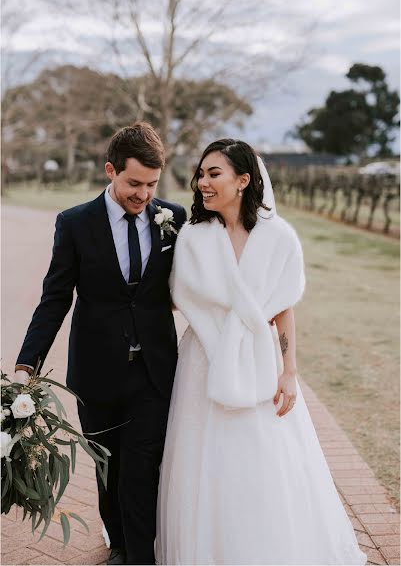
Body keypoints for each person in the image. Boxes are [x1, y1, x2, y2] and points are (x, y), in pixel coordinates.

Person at [156, 139, 366, 565]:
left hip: (260, 360)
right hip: (204, 361)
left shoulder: (279, 237)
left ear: (244, 179)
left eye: (214, 174)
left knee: (268, 461)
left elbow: (284, 307)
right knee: (206, 465)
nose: (202, 183)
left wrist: (289, 371)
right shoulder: (194, 237)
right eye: (201, 174)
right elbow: (182, 298)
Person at [15, 122, 187, 565]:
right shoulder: (74, 224)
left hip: (154, 371)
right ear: (110, 170)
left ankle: (141, 556)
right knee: (107, 468)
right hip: (96, 373)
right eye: (134, 183)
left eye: (151, 184)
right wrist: (26, 365)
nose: (143, 194)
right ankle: (120, 546)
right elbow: (55, 299)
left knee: (142, 466)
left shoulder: (174, 219)